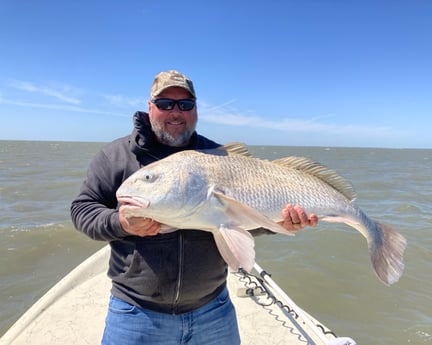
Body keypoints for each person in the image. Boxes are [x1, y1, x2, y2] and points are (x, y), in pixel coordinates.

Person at [70, 70, 318, 345]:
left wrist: (277, 224)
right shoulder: (116, 156)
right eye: (165, 104)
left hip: (213, 310)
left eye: (185, 105)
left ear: (195, 110)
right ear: (149, 106)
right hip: (136, 312)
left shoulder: (219, 156)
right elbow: (83, 210)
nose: (176, 112)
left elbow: (235, 218)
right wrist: (121, 223)